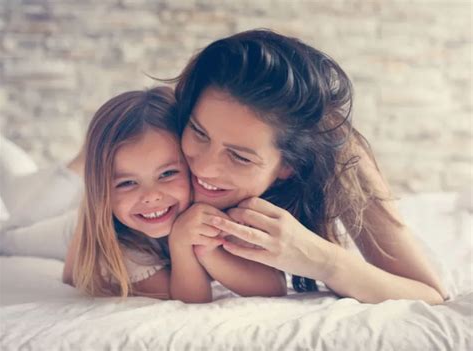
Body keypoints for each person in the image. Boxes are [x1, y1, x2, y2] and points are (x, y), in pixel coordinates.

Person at [168, 29, 448, 304]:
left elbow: (429, 295)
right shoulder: (156, 129)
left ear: (288, 166)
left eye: (240, 157)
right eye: (198, 132)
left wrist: (322, 260)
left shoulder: (340, 154)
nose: (204, 168)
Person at [61, 86, 287, 302]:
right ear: (102, 193)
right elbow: (188, 303)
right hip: (71, 226)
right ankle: (73, 169)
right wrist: (181, 245)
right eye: (127, 182)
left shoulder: (216, 206)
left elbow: (274, 288)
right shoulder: (122, 246)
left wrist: (209, 251)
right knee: (26, 238)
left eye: (167, 173)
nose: (150, 196)